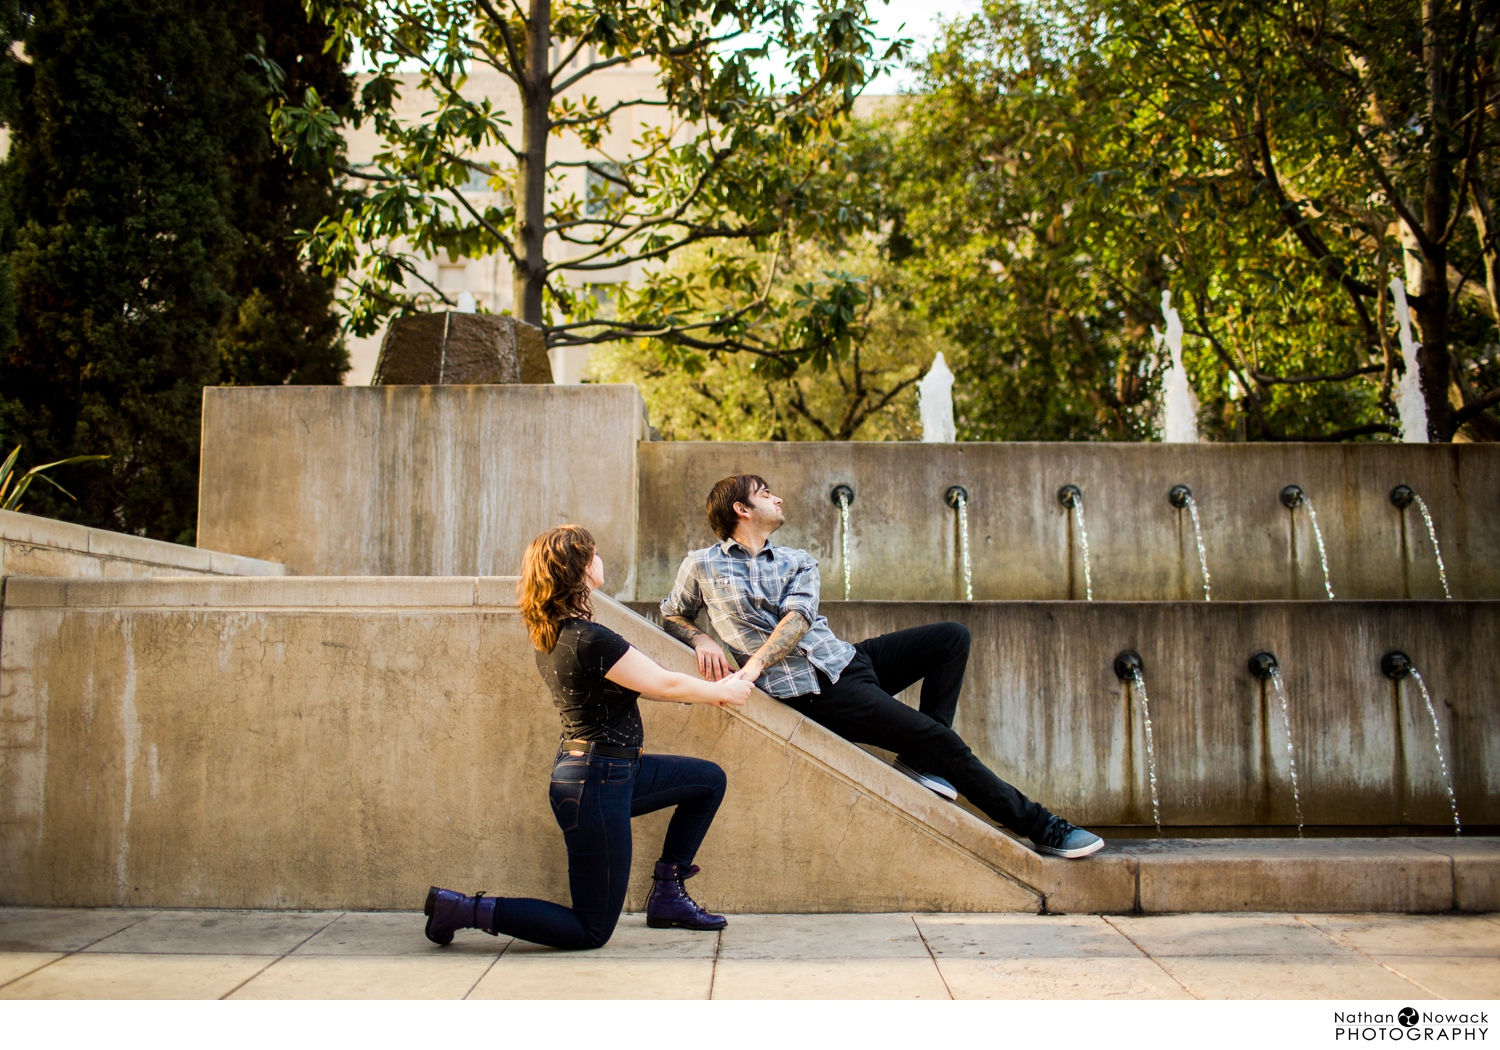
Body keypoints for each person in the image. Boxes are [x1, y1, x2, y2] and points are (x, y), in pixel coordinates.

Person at [660, 475, 1104, 860]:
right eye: (766, 493)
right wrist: (700, 637)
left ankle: (919, 760)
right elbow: (671, 612)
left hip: (848, 660)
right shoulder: (701, 564)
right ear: (742, 508)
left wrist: (753, 665)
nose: (777, 499)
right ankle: (1044, 827)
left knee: (951, 637)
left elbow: (799, 618)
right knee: (943, 741)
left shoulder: (798, 560)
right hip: (817, 692)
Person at [424, 524, 754, 949]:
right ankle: (462, 909)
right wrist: (722, 692)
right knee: (591, 929)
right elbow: (663, 684)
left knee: (708, 781)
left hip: (608, 773)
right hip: (596, 783)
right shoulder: (589, 639)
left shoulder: (559, 632)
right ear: (578, 569)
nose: (600, 559)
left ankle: (669, 896)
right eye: (593, 553)